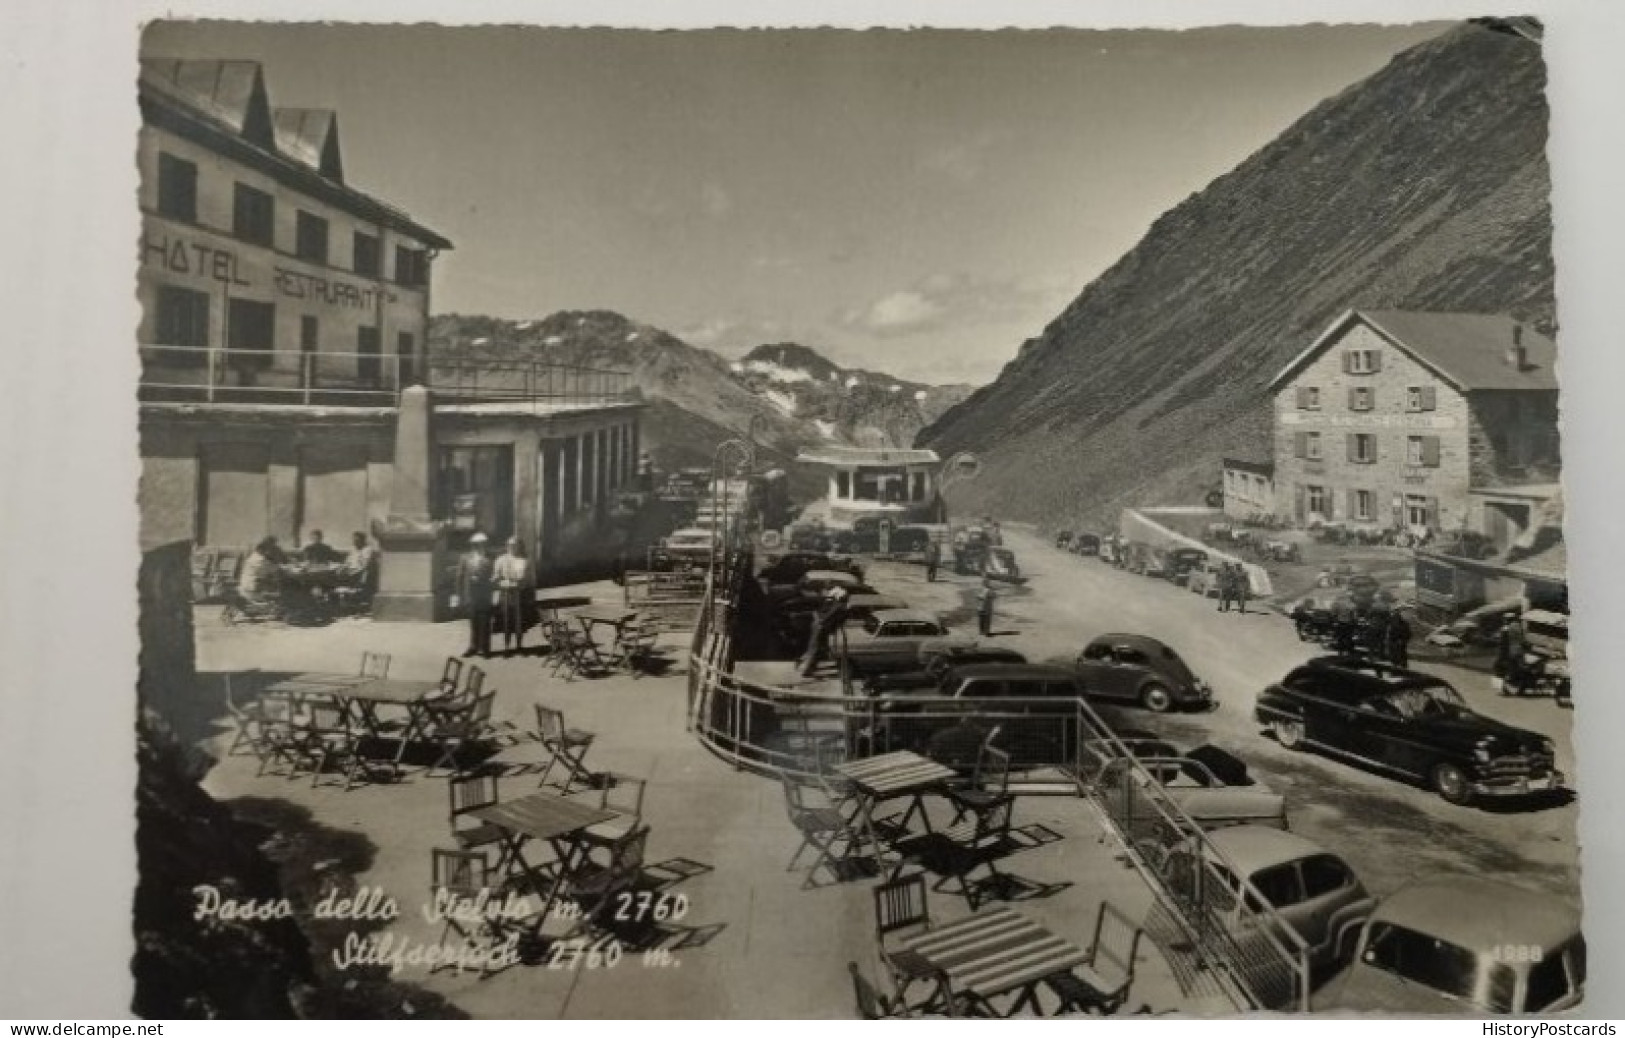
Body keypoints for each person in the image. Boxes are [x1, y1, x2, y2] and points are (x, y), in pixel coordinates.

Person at [452, 533, 496, 658]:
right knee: (473, 621)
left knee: (485, 621)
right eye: (477, 544)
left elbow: (495, 574)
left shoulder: (490, 557)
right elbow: (459, 577)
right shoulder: (465, 558)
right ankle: (473, 646)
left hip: (485, 595)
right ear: (473, 545)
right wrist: (458, 595)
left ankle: (485, 648)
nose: (480, 547)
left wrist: (492, 583)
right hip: (470, 595)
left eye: (483, 544)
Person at [493, 536, 537, 656]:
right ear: (507, 546)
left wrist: (530, 594)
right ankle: (507, 647)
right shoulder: (500, 560)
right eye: (510, 545)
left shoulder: (525, 561)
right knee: (506, 621)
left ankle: (519, 646)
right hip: (506, 594)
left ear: (519, 546)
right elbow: (496, 578)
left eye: (515, 545)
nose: (512, 547)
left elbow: (531, 580)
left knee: (519, 621)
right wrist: (501, 582)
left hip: (520, 595)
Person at [799, 586, 848, 677]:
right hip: (822, 629)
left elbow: (823, 616)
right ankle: (807, 669)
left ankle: (808, 667)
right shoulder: (839, 606)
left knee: (814, 648)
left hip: (820, 628)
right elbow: (826, 617)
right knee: (815, 649)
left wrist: (819, 616)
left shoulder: (836, 605)